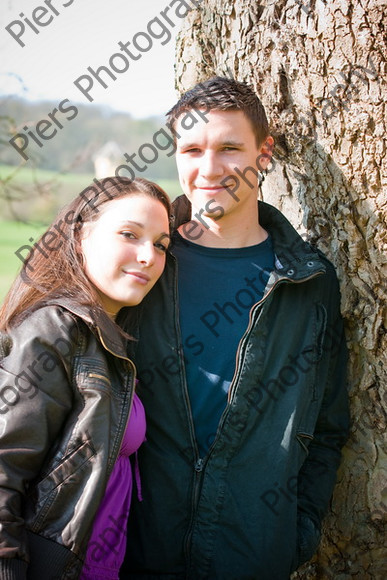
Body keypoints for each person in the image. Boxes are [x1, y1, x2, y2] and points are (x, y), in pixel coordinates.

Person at [122, 77, 350, 579]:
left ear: (264, 153)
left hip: (252, 556)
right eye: (193, 149)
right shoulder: (141, 266)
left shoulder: (309, 281)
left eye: (229, 148)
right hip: (134, 553)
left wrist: (297, 532)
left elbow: (329, 428)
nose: (209, 169)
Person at [0, 176, 171, 580]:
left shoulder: (111, 336)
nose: (148, 255)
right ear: (80, 236)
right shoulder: (53, 331)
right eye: (130, 234)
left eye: (161, 244)